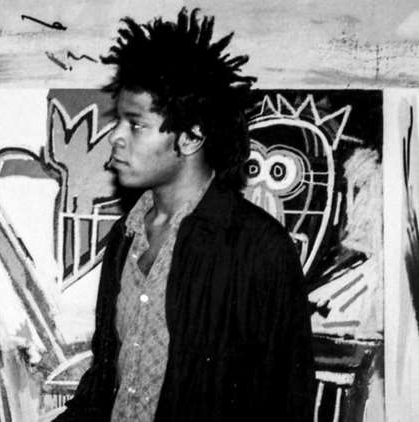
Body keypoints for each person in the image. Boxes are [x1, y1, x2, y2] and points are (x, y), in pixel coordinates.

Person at [53, 7, 315, 422]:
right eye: (119, 121)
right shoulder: (126, 235)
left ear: (191, 137)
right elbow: (105, 378)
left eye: (135, 124)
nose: (115, 137)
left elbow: (285, 401)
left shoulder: (258, 248)